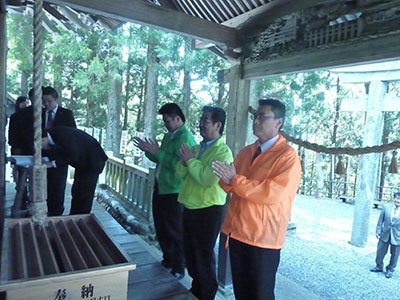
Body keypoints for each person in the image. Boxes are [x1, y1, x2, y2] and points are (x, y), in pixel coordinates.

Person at [212, 99, 302, 300]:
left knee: (260, 294)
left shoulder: (287, 157)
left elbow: (272, 193)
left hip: (263, 239)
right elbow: (230, 185)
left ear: (278, 122)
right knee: (242, 292)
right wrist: (226, 179)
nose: (256, 121)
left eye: (262, 116)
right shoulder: (246, 152)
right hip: (237, 233)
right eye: (255, 116)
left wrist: (234, 180)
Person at [176, 106, 233, 300]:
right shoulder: (197, 148)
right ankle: (196, 286)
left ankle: (207, 293)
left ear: (218, 125)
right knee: (190, 252)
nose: (201, 124)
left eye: (205, 121)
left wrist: (190, 161)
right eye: (200, 120)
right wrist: (186, 163)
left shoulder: (223, 152)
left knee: (203, 254)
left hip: (209, 209)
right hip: (190, 206)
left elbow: (208, 179)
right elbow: (179, 173)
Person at [133, 103, 196, 279]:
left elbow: (179, 165)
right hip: (161, 187)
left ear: (178, 119)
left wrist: (158, 152)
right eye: (164, 121)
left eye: (168, 120)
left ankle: (179, 266)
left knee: (174, 229)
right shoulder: (169, 136)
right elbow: (160, 158)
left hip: (174, 190)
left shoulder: (186, 139)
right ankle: (168, 259)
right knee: (161, 226)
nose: (166, 124)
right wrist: (149, 151)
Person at [42, 126, 108, 215]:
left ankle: (82, 217)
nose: (41, 148)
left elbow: (70, 154)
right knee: (76, 190)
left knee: (85, 193)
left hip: (92, 161)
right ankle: (74, 214)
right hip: (83, 164)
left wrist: (52, 164)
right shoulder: (54, 135)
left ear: (43, 140)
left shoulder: (62, 135)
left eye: (40, 145)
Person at [41, 86, 76, 216]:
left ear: (56, 100)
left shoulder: (66, 114)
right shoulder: (39, 113)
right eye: (44, 101)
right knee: (42, 185)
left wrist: (53, 146)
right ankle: (42, 211)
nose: (46, 104)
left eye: (49, 101)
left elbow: (71, 136)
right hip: (42, 154)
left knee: (58, 186)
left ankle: (56, 213)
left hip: (60, 155)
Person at [370, 192, 400, 279]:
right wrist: (378, 231)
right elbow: (380, 221)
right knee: (380, 252)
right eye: (397, 198)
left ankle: (390, 269)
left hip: (397, 236)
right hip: (384, 234)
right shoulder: (386, 207)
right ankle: (379, 266)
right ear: (394, 198)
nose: (398, 200)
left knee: (395, 255)